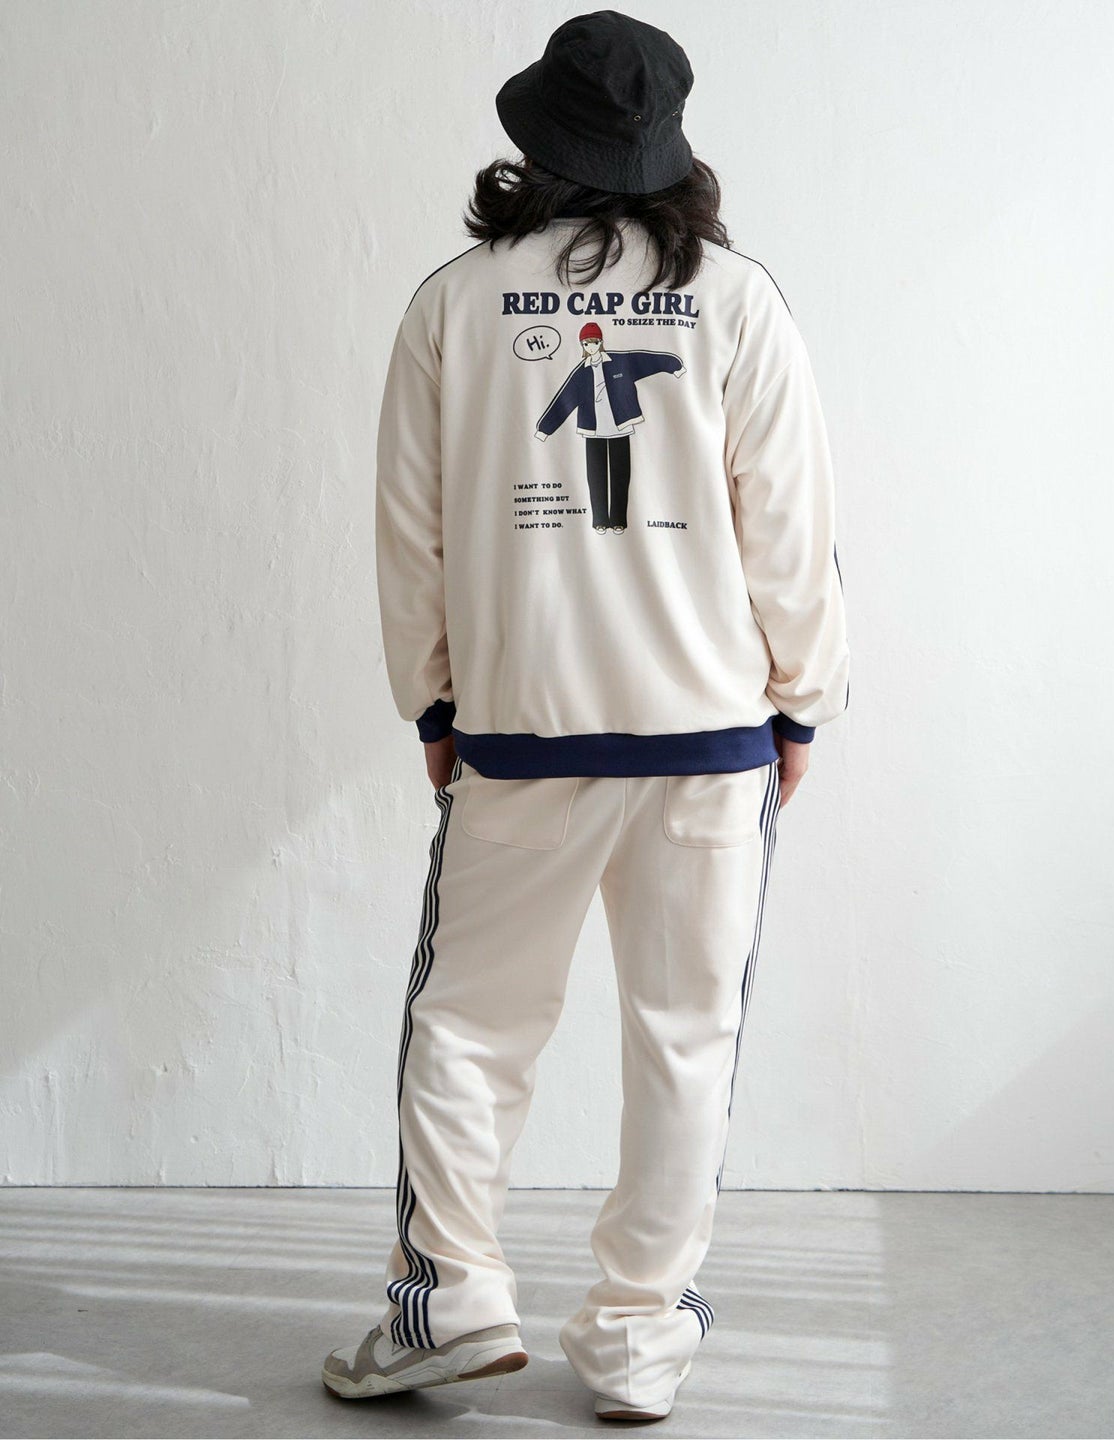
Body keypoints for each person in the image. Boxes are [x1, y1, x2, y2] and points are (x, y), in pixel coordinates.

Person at [321, 8, 850, 1424]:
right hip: (709, 742)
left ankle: (450, 1301)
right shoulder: (737, 299)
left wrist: (435, 699)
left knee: (469, 1025)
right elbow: (793, 531)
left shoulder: (454, 303)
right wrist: (803, 704)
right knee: (686, 1041)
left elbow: (410, 535)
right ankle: (635, 1341)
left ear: (535, 138)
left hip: (521, 732)